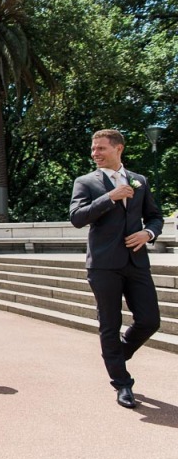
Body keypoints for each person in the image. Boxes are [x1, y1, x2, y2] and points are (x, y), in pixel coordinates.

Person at [69, 129, 163, 409]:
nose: (94, 153)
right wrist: (109, 197)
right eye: (93, 148)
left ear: (118, 148)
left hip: (136, 262)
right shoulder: (85, 182)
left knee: (150, 320)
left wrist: (149, 233)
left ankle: (117, 356)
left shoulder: (140, 181)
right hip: (103, 265)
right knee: (110, 325)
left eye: (101, 148)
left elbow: (155, 216)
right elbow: (76, 217)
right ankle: (122, 383)